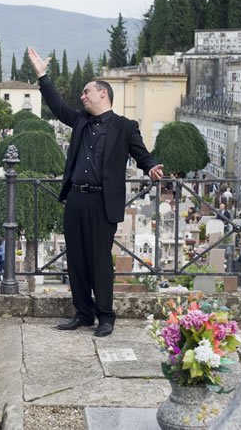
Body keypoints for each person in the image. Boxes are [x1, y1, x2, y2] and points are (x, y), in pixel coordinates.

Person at [28, 48, 164, 337]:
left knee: (100, 260)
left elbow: (142, 154)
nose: (82, 97)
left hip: (103, 202)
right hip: (76, 198)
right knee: (75, 258)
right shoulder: (80, 120)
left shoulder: (125, 127)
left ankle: (105, 316)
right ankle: (83, 312)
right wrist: (42, 74)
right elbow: (56, 104)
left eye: (86, 92)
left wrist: (151, 167)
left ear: (103, 93)